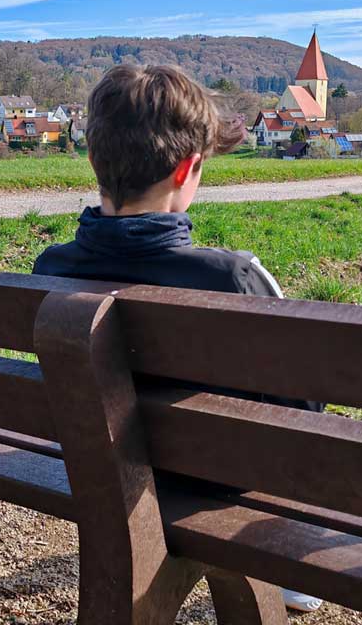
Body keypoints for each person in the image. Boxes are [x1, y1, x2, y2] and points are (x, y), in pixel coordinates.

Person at [32, 64, 324, 612]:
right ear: (189, 169)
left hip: (95, 466)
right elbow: (301, 414)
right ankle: (279, 562)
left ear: (95, 160)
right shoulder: (233, 279)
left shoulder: (50, 269)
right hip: (220, 483)